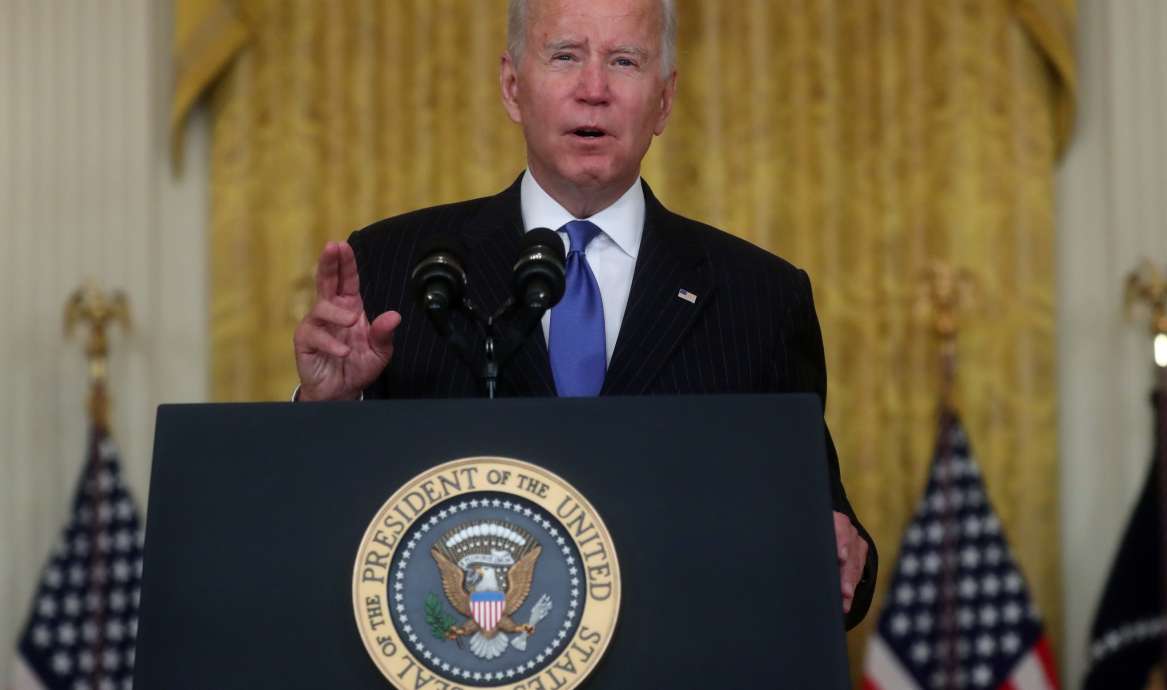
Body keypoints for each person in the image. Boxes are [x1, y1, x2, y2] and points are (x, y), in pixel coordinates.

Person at [292, 0, 877, 628]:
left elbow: (825, 531)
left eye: (624, 61)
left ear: (664, 100)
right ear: (513, 86)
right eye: (565, 56)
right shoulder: (398, 266)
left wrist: (846, 554)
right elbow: (314, 536)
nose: (593, 89)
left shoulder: (759, 296)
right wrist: (327, 408)